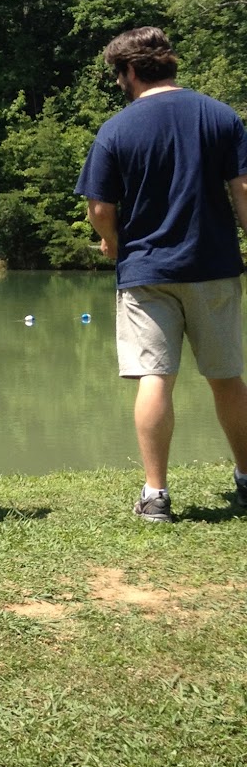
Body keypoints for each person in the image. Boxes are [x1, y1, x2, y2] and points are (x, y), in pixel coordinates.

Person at [75, 26, 247, 522]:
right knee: (227, 378)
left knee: (155, 377)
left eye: (117, 75)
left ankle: (155, 495)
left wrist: (112, 242)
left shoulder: (117, 129)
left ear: (131, 70)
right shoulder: (221, 116)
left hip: (146, 270)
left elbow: (100, 207)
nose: (118, 83)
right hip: (213, 266)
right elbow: (243, 191)